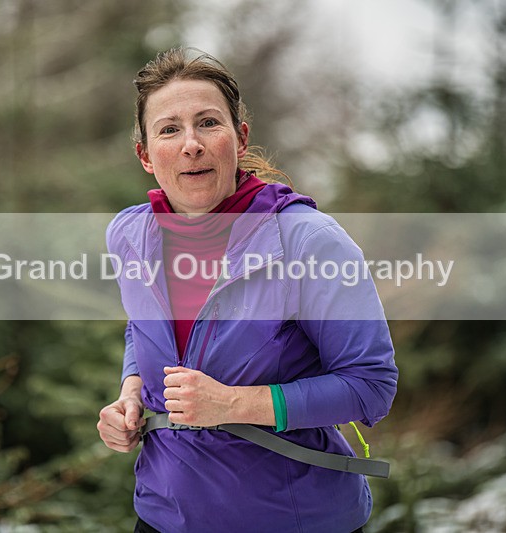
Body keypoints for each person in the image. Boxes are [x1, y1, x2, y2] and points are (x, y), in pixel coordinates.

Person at [97, 47, 398, 533]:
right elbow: (144, 329)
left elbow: (371, 386)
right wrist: (132, 392)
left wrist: (235, 404)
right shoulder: (129, 235)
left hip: (293, 520)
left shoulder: (308, 241)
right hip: (162, 516)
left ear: (239, 137)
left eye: (208, 123)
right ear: (146, 155)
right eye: (169, 129)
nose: (190, 143)